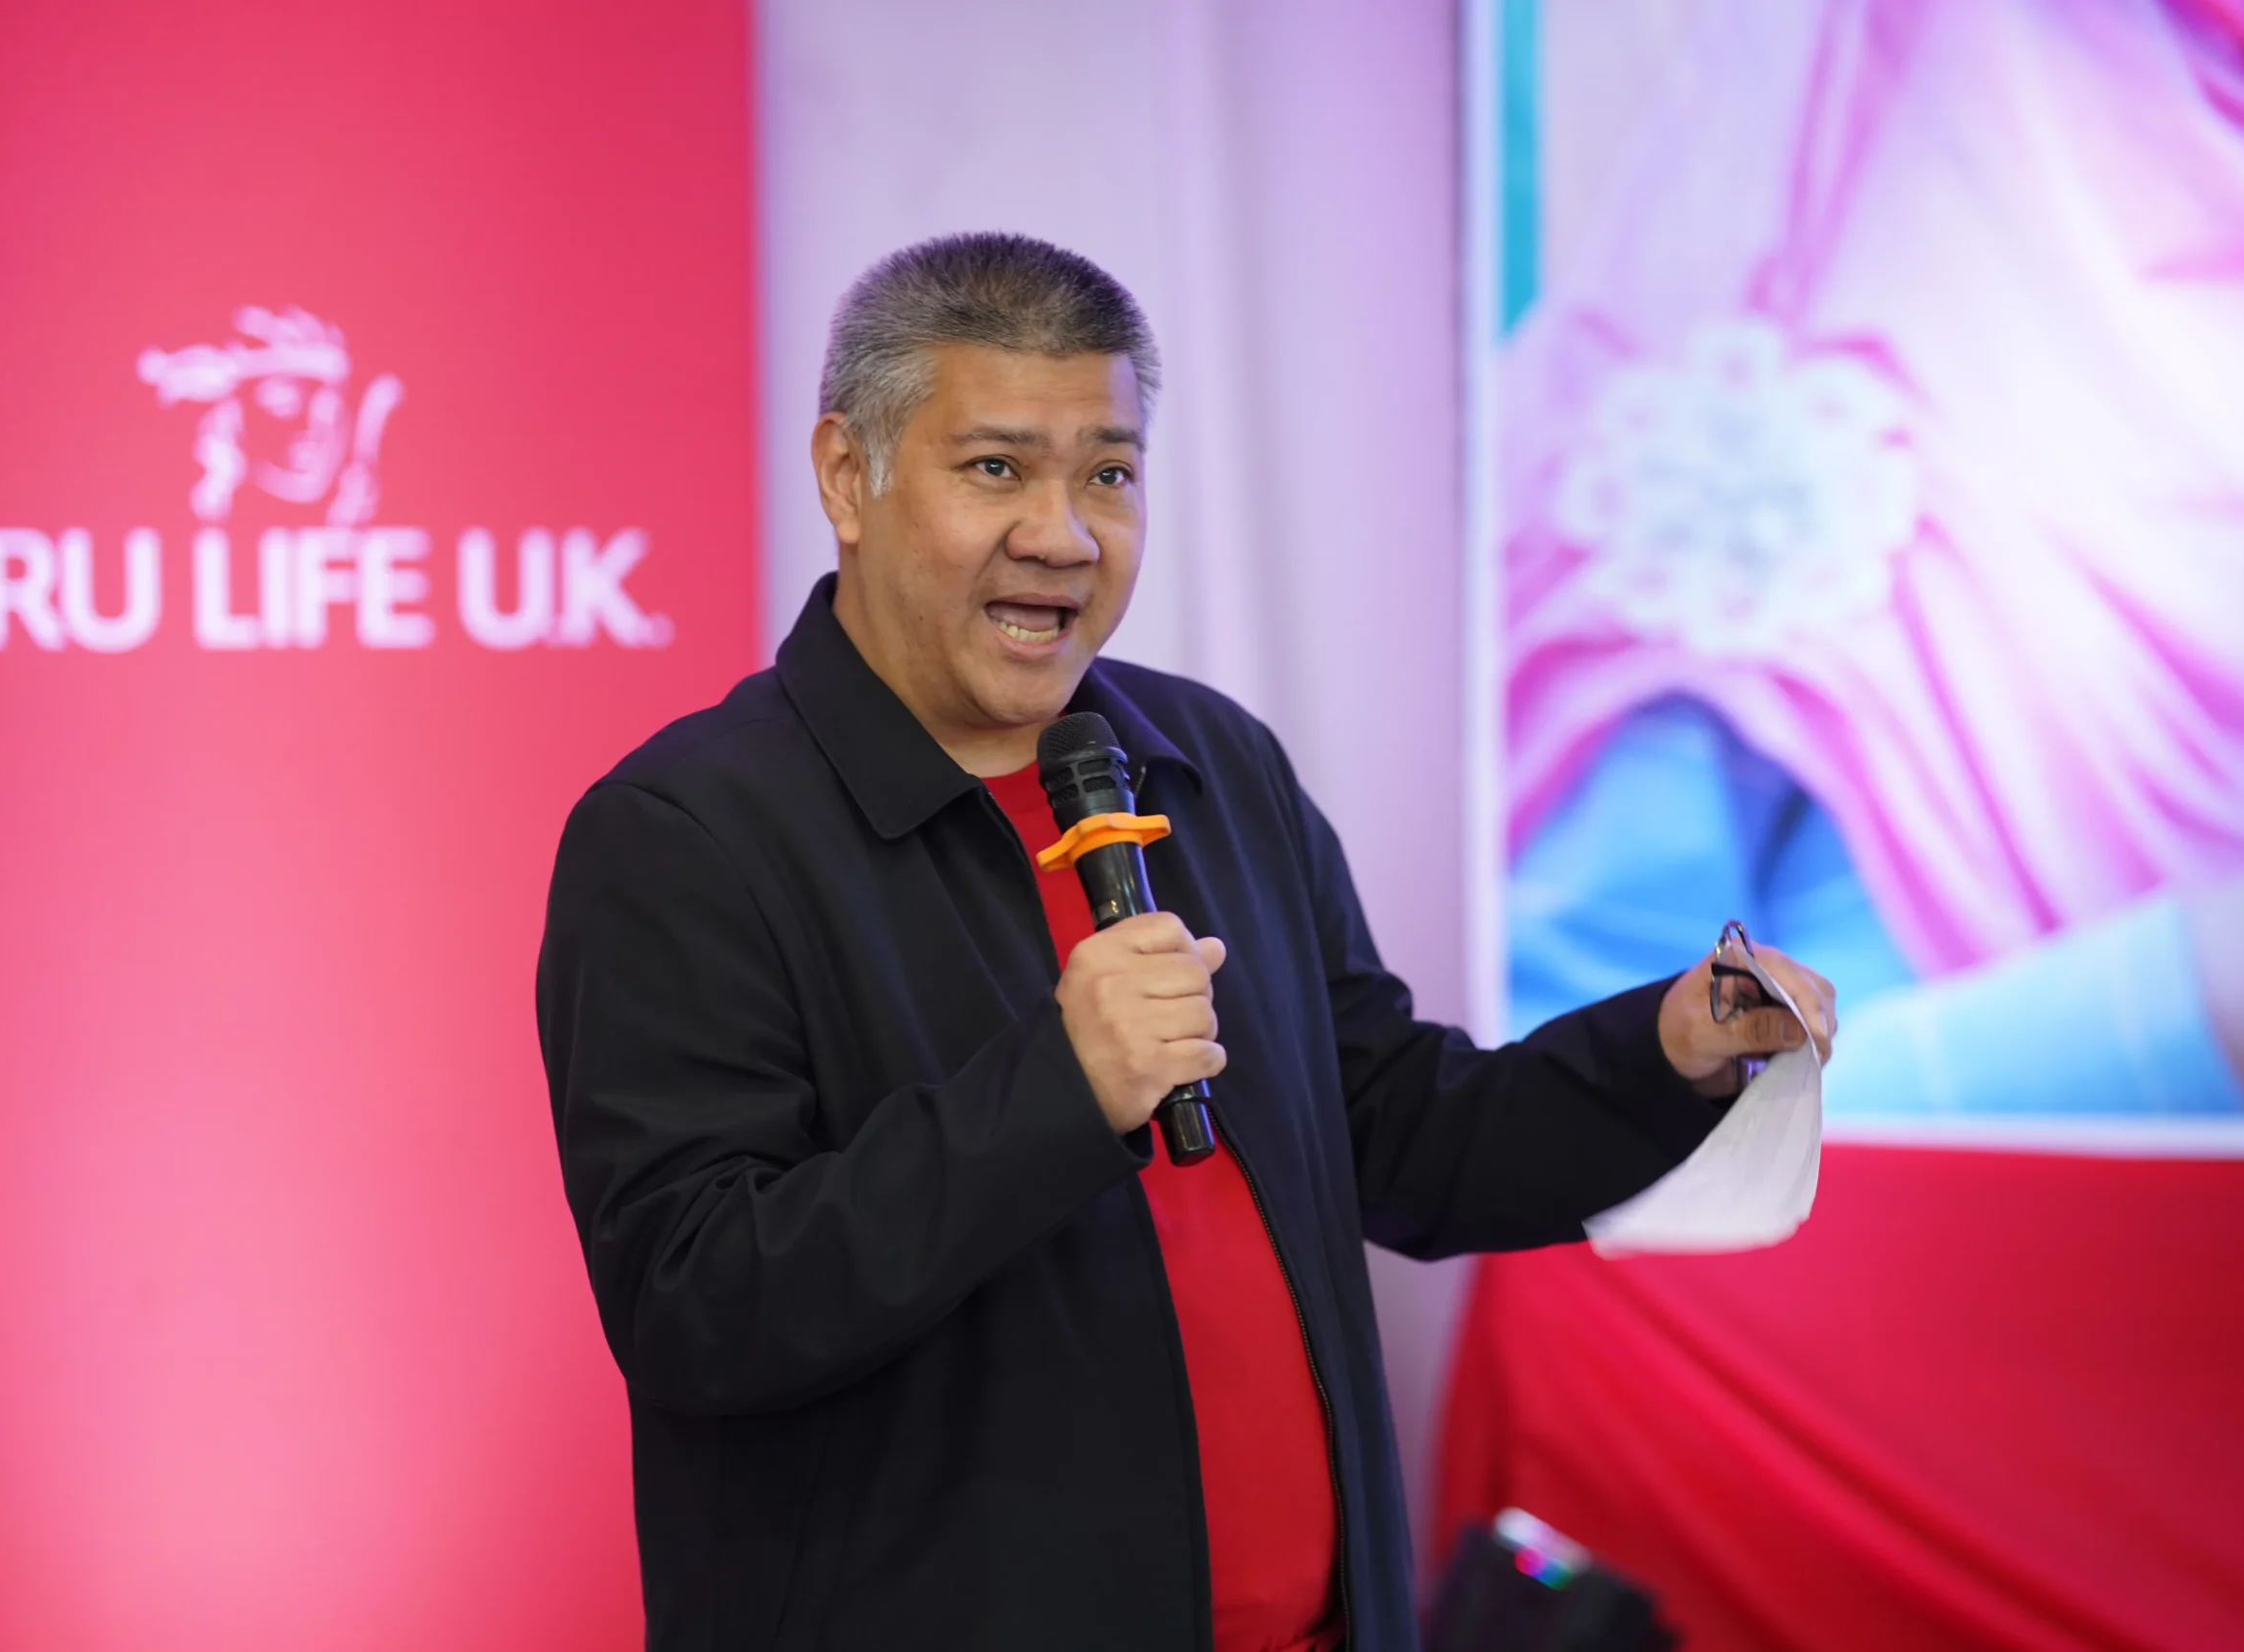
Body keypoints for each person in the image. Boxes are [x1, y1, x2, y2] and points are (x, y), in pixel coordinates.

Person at [536, 232, 1838, 1652]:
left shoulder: (1209, 763)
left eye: (1109, 473)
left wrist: (1664, 1050)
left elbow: (1394, 1133)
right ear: (850, 476)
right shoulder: (690, 833)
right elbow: (699, 1304)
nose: (1064, 534)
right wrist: (1061, 1090)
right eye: (997, 469)